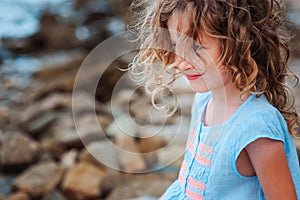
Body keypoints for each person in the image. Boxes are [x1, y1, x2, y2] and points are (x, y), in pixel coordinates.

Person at [130, 0, 300, 199]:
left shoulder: (256, 125)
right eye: (176, 46)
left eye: (196, 48)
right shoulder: (203, 100)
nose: (182, 62)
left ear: (238, 43)